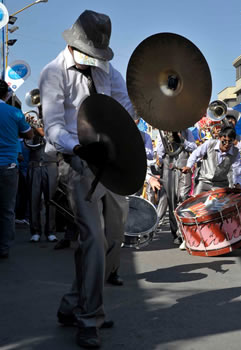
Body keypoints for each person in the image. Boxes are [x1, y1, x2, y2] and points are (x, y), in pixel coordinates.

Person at [39, 10, 135, 348]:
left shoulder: (107, 71)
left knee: (111, 238)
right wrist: (79, 147)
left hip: (107, 162)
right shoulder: (53, 73)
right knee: (93, 237)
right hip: (76, 163)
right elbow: (52, 129)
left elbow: (124, 107)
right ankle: (89, 317)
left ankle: (73, 304)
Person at [0, 79, 33, 259]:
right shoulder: (14, 112)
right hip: (8, 166)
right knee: (7, 210)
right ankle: (3, 248)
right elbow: (29, 133)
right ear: (6, 95)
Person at [155, 129, 196, 247]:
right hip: (169, 168)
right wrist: (166, 138)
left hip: (183, 169)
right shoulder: (162, 132)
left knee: (183, 198)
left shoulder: (187, 131)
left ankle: (186, 231)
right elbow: (160, 153)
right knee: (171, 200)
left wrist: (182, 140)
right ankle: (177, 233)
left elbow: (194, 147)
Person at [26, 105, 59, 243]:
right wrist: (29, 126)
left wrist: (36, 127)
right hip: (35, 165)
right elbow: (27, 140)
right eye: (39, 108)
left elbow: (50, 136)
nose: (41, 111)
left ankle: (50, 231)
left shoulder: (55, 123)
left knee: (51, 200)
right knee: (34, 200)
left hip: (50, 164)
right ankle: (35, 231)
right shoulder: (33, 124)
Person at [182, 126, 241, 194]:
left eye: (230, 142)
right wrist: (188, 166)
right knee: (197, 203)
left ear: (234, 140)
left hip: (221, 185)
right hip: (204, 181)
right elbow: (195, 154)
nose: (227, 144)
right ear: (220, 138)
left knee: (220, 204)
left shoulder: (235, 152)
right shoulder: (210, 144)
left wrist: (237, 183)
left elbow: (237, 170)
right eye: (224, 141)